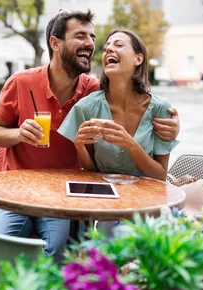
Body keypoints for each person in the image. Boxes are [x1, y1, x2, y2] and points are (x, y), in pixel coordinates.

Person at [0, 12, 180, 257]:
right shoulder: (21, 82)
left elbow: (133, 97)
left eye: (92, 37)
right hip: (16, 187)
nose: (91, 43)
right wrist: (19, 134)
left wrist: (172, 125)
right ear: (55, 43)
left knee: (60, 250)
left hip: (66, 193)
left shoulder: (93, 91)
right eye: (80, 36)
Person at [58, 28, 178, 182]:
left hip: (147, 200)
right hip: (105, 198)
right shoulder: (87, 107)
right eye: (106, 47)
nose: (108, 49)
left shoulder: (160, 108)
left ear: (138, 59)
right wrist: (80, 147)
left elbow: (159, 176)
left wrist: (130, 145)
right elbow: (92, 172)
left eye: (119, 45)